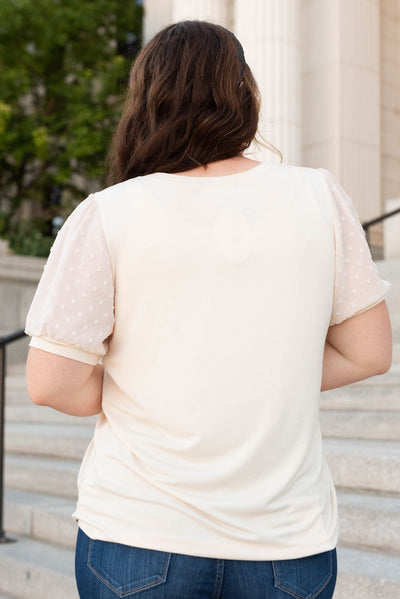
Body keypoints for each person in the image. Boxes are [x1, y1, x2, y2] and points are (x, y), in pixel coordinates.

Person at [25, 20, 392, 599]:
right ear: (245, 94)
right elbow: (370, 352)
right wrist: (267, 375)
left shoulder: (109, 213)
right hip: (286, 543)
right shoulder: (318, 196)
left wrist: (152, 384)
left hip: (138, 534)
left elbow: (51, 384)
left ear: (145, 99)